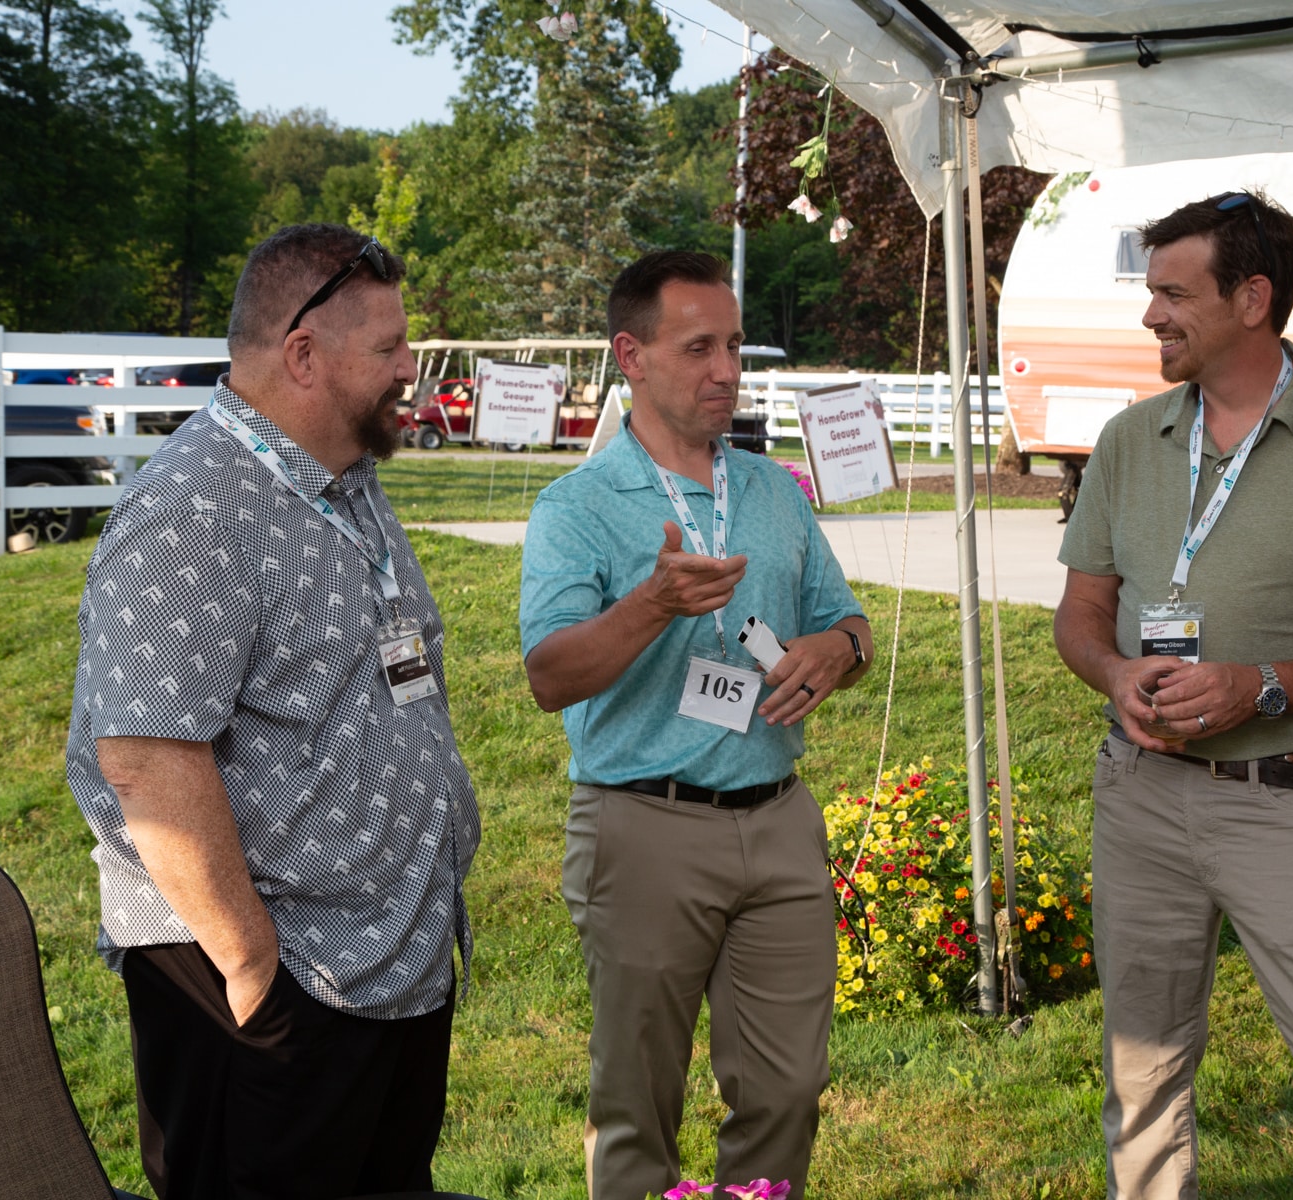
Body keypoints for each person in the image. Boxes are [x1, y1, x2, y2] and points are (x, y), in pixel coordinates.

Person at [65, 224, 480, 1200]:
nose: (410, 369)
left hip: (385, 966)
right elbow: (145, 759)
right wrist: (253, 969)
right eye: (389, 347)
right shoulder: (197, 509)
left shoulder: (342, 479)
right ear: (303, 355)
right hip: (273, 992)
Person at [1054, 191, 1293, 1200]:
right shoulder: (1129, 439)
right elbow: (1081, 615)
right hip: (1141, 796)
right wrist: (1114, 673)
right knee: (1141, 1078)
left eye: (1174, 295)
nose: (1152, 315)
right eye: (1152, 293)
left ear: (1253, 299)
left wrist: (1259, 688)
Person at [519, 250, 872, 1200]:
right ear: (631, 356)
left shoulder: (770, 489)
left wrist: (837, 650)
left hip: (779, 819)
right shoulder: (578, 506)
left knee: (787, 1091)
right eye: (699, 349)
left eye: (735, 348)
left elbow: (847, 622)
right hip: (645, 823)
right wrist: (654, 603)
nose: (727, 371)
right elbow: (549, 677)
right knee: (637, 1104)